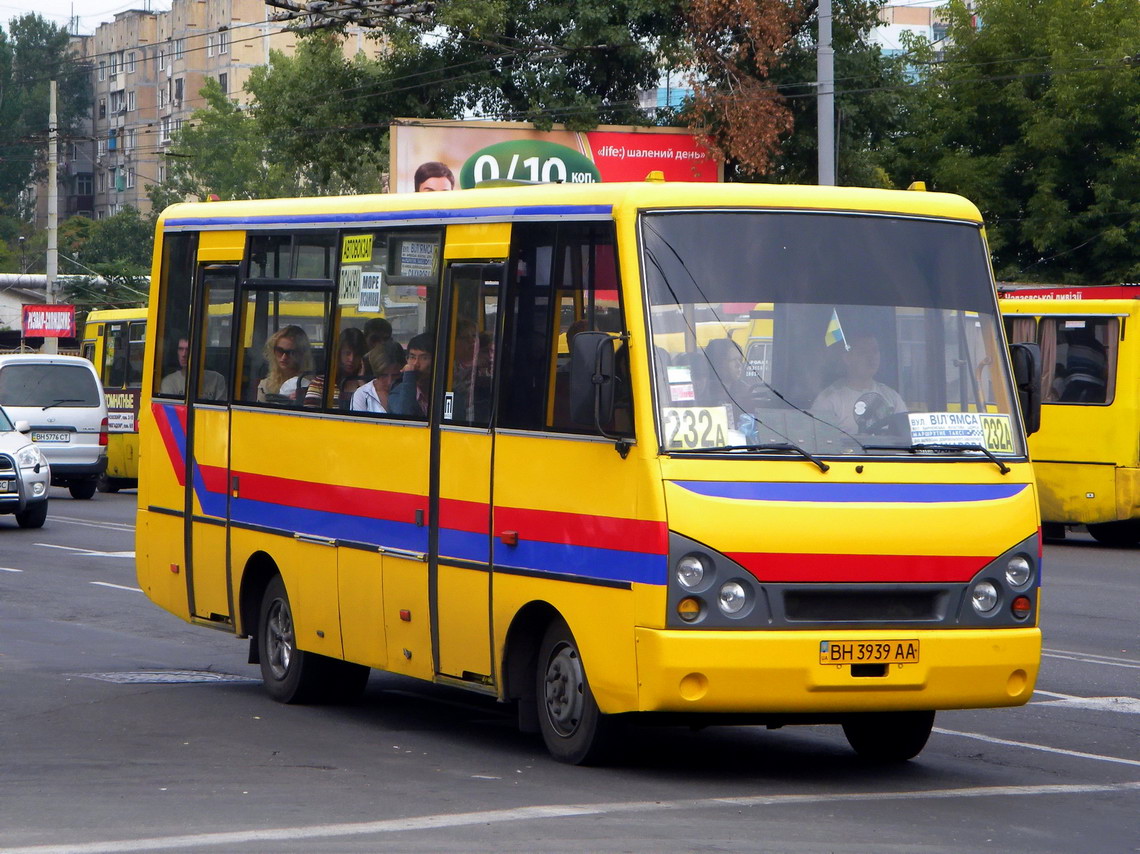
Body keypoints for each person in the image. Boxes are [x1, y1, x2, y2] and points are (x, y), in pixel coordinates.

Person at [811, 334, 906, 433]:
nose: (871, 357)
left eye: (875, 351)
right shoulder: (829, 400)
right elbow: (820, 442)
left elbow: (907, 435)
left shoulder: (892, 397)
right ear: (847, 358)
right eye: (863, 352)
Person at [305, 327, 367, 408]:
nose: (351, 359)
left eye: (356, 355)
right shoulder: (320, 383)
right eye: (347, 353)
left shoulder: (367, 386)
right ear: (338, 354)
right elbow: (309, 415)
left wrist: (362, 382)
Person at [257, 325, 313, 404]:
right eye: (279, 351)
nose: (284, 357)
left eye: (290, 352)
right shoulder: (265, 386)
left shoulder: (315, 385)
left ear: (301, 354)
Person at [160, 336, 226, 400]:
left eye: (188, 349)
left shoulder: (217, 379)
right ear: (176, 352)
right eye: (180, 349)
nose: (184, 354)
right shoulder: (169, 382)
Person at [351, 342, 406, 414]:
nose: (389, 381)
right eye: (384, 375)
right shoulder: (362, 395)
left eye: (395, 375)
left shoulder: (410, 392)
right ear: (376, 373)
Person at [388, 332, 434, 417]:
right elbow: (404, 415)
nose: (416, 364)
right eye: (412, 357)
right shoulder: (398, 391)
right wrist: (409, 376)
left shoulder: (446, 391)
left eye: (424, 358)